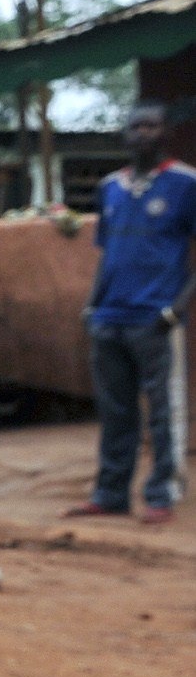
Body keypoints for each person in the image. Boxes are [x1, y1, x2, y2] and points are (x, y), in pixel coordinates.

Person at [65, 101, 194, 527]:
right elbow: (108, 255)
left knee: (163, 412)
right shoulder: (111, 187)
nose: (142, 134)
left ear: (166, 133)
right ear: (124, 134)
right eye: (135, 126)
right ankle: (110, 494)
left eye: (151, 126)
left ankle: (162, 492)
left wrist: (176, 309)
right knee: (116, 410)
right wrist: (92, 305)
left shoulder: (185, 184)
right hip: (108, 317)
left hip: (154, 318)